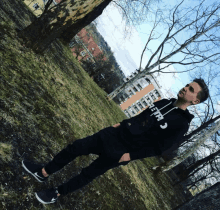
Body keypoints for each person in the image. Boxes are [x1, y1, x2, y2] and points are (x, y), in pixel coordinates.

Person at [22, 78, 209, 204]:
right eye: (187, 85)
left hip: (123, 150)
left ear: (195, 101)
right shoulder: (164, 102)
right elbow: (141, 116)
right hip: (115, 134)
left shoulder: (181, 124)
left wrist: (129, 156)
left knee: (88, 173)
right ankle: (43, 172)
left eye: (191, 90)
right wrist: (119, 124)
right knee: (77, 146)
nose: (185, 88)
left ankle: (56, 193)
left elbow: (159, 148)